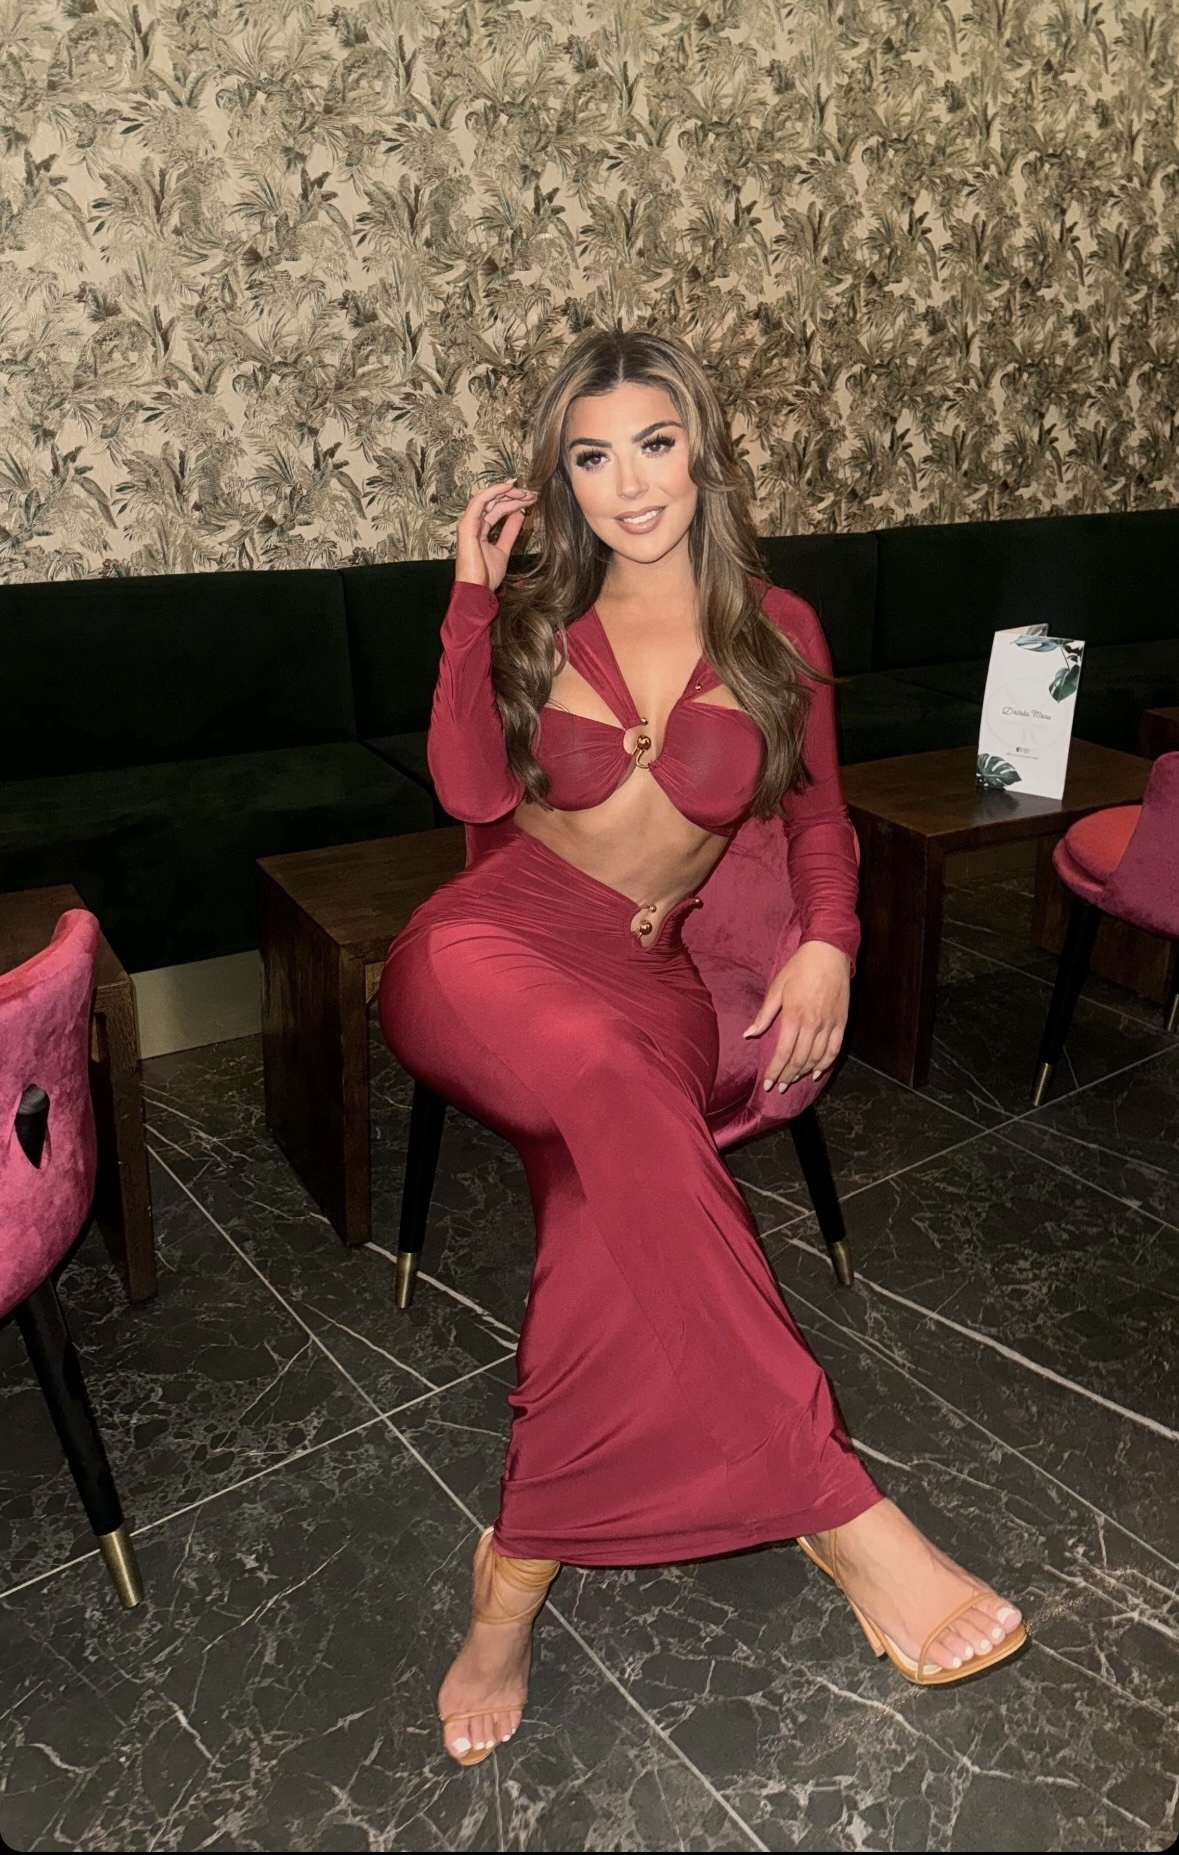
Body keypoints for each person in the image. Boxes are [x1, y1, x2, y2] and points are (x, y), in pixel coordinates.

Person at [378, 330, 1026, 1768]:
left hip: (648, 979)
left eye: (654, 444)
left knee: (600, 1215)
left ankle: (510, 1583)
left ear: (701, 451)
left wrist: (828, 939)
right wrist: (470, 605)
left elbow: (818, 816)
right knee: (617, 1100)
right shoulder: (538, 617)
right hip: (487, 951)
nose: (629, 485)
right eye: (591, 457)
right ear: (563, 479)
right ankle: (840, 1512)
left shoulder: (779, 630)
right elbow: (468, 790)